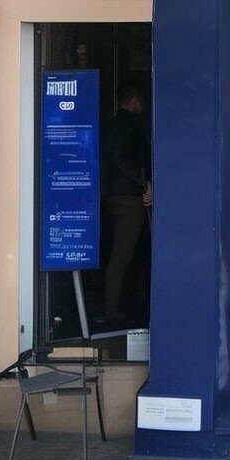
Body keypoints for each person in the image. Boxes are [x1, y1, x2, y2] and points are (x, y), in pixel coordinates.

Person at [102, 79, 151, 324]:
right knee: (123, 255)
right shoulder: (130, 125)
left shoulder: (112, 124)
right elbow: (121, 158)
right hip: (128, 197)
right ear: (134, 101)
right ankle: (112, 310)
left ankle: (124, 303)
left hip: (114, 194)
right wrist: (143, 183)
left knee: (127, 252)